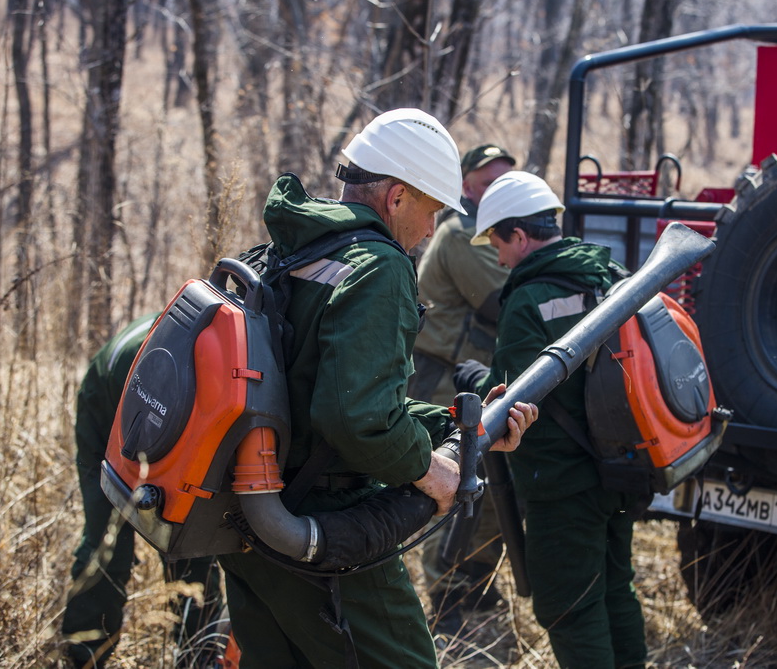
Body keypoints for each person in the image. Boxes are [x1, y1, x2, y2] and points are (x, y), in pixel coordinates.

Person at [214, 108, 538, 668]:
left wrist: (452, 426)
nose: (432, 229)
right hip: (322, 532)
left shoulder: (292, 248)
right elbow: (357, 421)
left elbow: (319, 394)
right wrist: (431, 469)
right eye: (432, 209)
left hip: (247, 517)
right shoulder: (379, 266)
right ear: (395, 197)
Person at [455, 171, 647, 669]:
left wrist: (476, 379)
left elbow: (511, 403)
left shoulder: (526, 301)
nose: (497, 258)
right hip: (621, 469)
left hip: (562, 487)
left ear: (520, 236)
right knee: (614, 590)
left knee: (570, 608)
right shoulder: (611, 275)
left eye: (497, 243)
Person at [62, 313, 224, 669]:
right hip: (109, 403)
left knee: (188, 542)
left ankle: (199, 656)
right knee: (110, 542)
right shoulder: (191, 362)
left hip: (158, 405)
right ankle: (83, 656)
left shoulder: (230, 348)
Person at [408, 143, 516, 634]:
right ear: (467, 186)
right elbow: (498, 301)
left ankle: (473, 576)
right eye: (488, 181)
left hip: (477, 375)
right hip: (444, 377)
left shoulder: (491, 233)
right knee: (453, 483)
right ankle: (445, 593)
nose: (498, 190)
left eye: (505, 181)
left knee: (489, 488)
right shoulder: (457, 233)